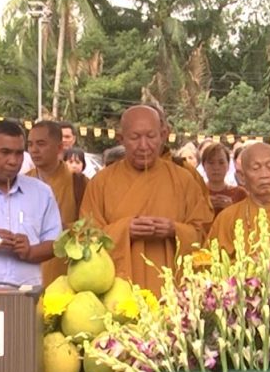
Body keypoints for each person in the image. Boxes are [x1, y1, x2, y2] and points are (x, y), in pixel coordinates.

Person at [79, 106, 213, 294]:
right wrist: (124, 230)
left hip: (173, 295)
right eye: (135, 138)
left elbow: (205, 237)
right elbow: (84, 241)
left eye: (151, 136)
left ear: (163, 135)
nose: (143, 145)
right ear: (121, 139)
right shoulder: (100, 183)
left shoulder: (184, 180)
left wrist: (174, 230)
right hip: (118, 294)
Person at [0, 121, 61, 287]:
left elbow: (55, 243)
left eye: (19, 153)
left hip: (28, 294)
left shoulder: (41, 192)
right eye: (5, 152)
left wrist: (30, 252)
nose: (13, 161)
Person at [28, 121, 87, 284]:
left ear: (60, 147)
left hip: (65, 272)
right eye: (30, 144)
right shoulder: (22, 182)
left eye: (41, 144)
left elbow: (92, 226)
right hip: (27, 271)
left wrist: (61, 229)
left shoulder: (79, 183)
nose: (34, 150)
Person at [208, 144, 270, 254]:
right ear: (242, 177)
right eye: (256, 168)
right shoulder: (228, 218)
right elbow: (208, 260)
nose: (264, 175)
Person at [202, 142, 246, 216]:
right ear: (203, 165)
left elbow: (249, 220)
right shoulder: (195, 193)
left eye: (221, 162)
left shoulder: (240, 194)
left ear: (228, 165)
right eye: (211, 162)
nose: (216, 167)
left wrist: (232, 208)